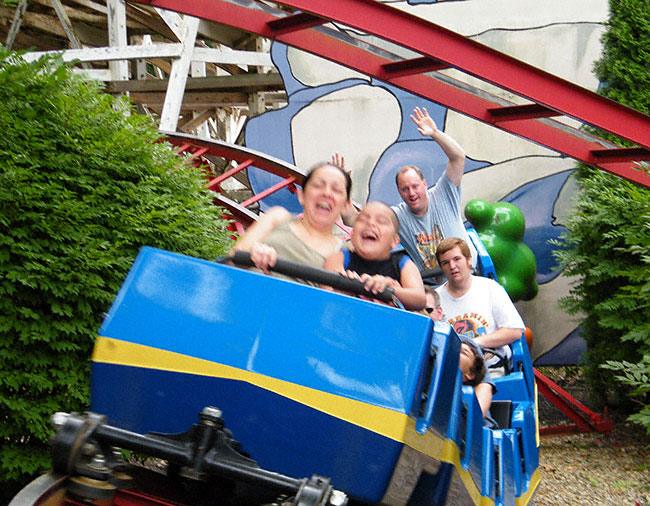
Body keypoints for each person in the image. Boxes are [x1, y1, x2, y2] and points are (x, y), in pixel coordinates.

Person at [230, 162, 351, 284]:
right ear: (302, 196)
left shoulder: (345, 252)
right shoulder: (278, 218)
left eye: (336, 190)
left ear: (345, 205)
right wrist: (253, 254)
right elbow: (233, 258)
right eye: (318, 185)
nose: (327, 193)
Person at [391, 107, 477, 276]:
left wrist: (435, 133)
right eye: (405, 189)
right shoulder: (397, 215)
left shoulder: (443, 193)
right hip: (432, 286)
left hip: (468, 276)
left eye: (415, 186)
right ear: (399, 192)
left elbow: (458, 157)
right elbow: (353, 221)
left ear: (424, 184)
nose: (412, 193)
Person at [434, 237, 525, 377]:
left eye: (457, 259)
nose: (452, 266)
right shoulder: (435, 299)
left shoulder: (490, 288)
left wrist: (476, 343)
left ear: (469, 260)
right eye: (446, 263)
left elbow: (514, 331)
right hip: (454, 372)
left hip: (492, 367)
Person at [323, 201, 425, 310]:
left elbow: (419, 299)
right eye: (362, 219)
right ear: (352, 235)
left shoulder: (403, 263)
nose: (370, 223)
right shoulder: (340, 257)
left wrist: (390, 289)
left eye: (381, 221)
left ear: (394, 240)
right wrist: (343, 288)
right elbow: (324, 293)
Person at [424, 286, 493, 416]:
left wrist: (472, 421)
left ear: (439, 313)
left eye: (428, 310)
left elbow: (483, 386)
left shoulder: (461, 343)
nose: (421, 314)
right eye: (414, 310)